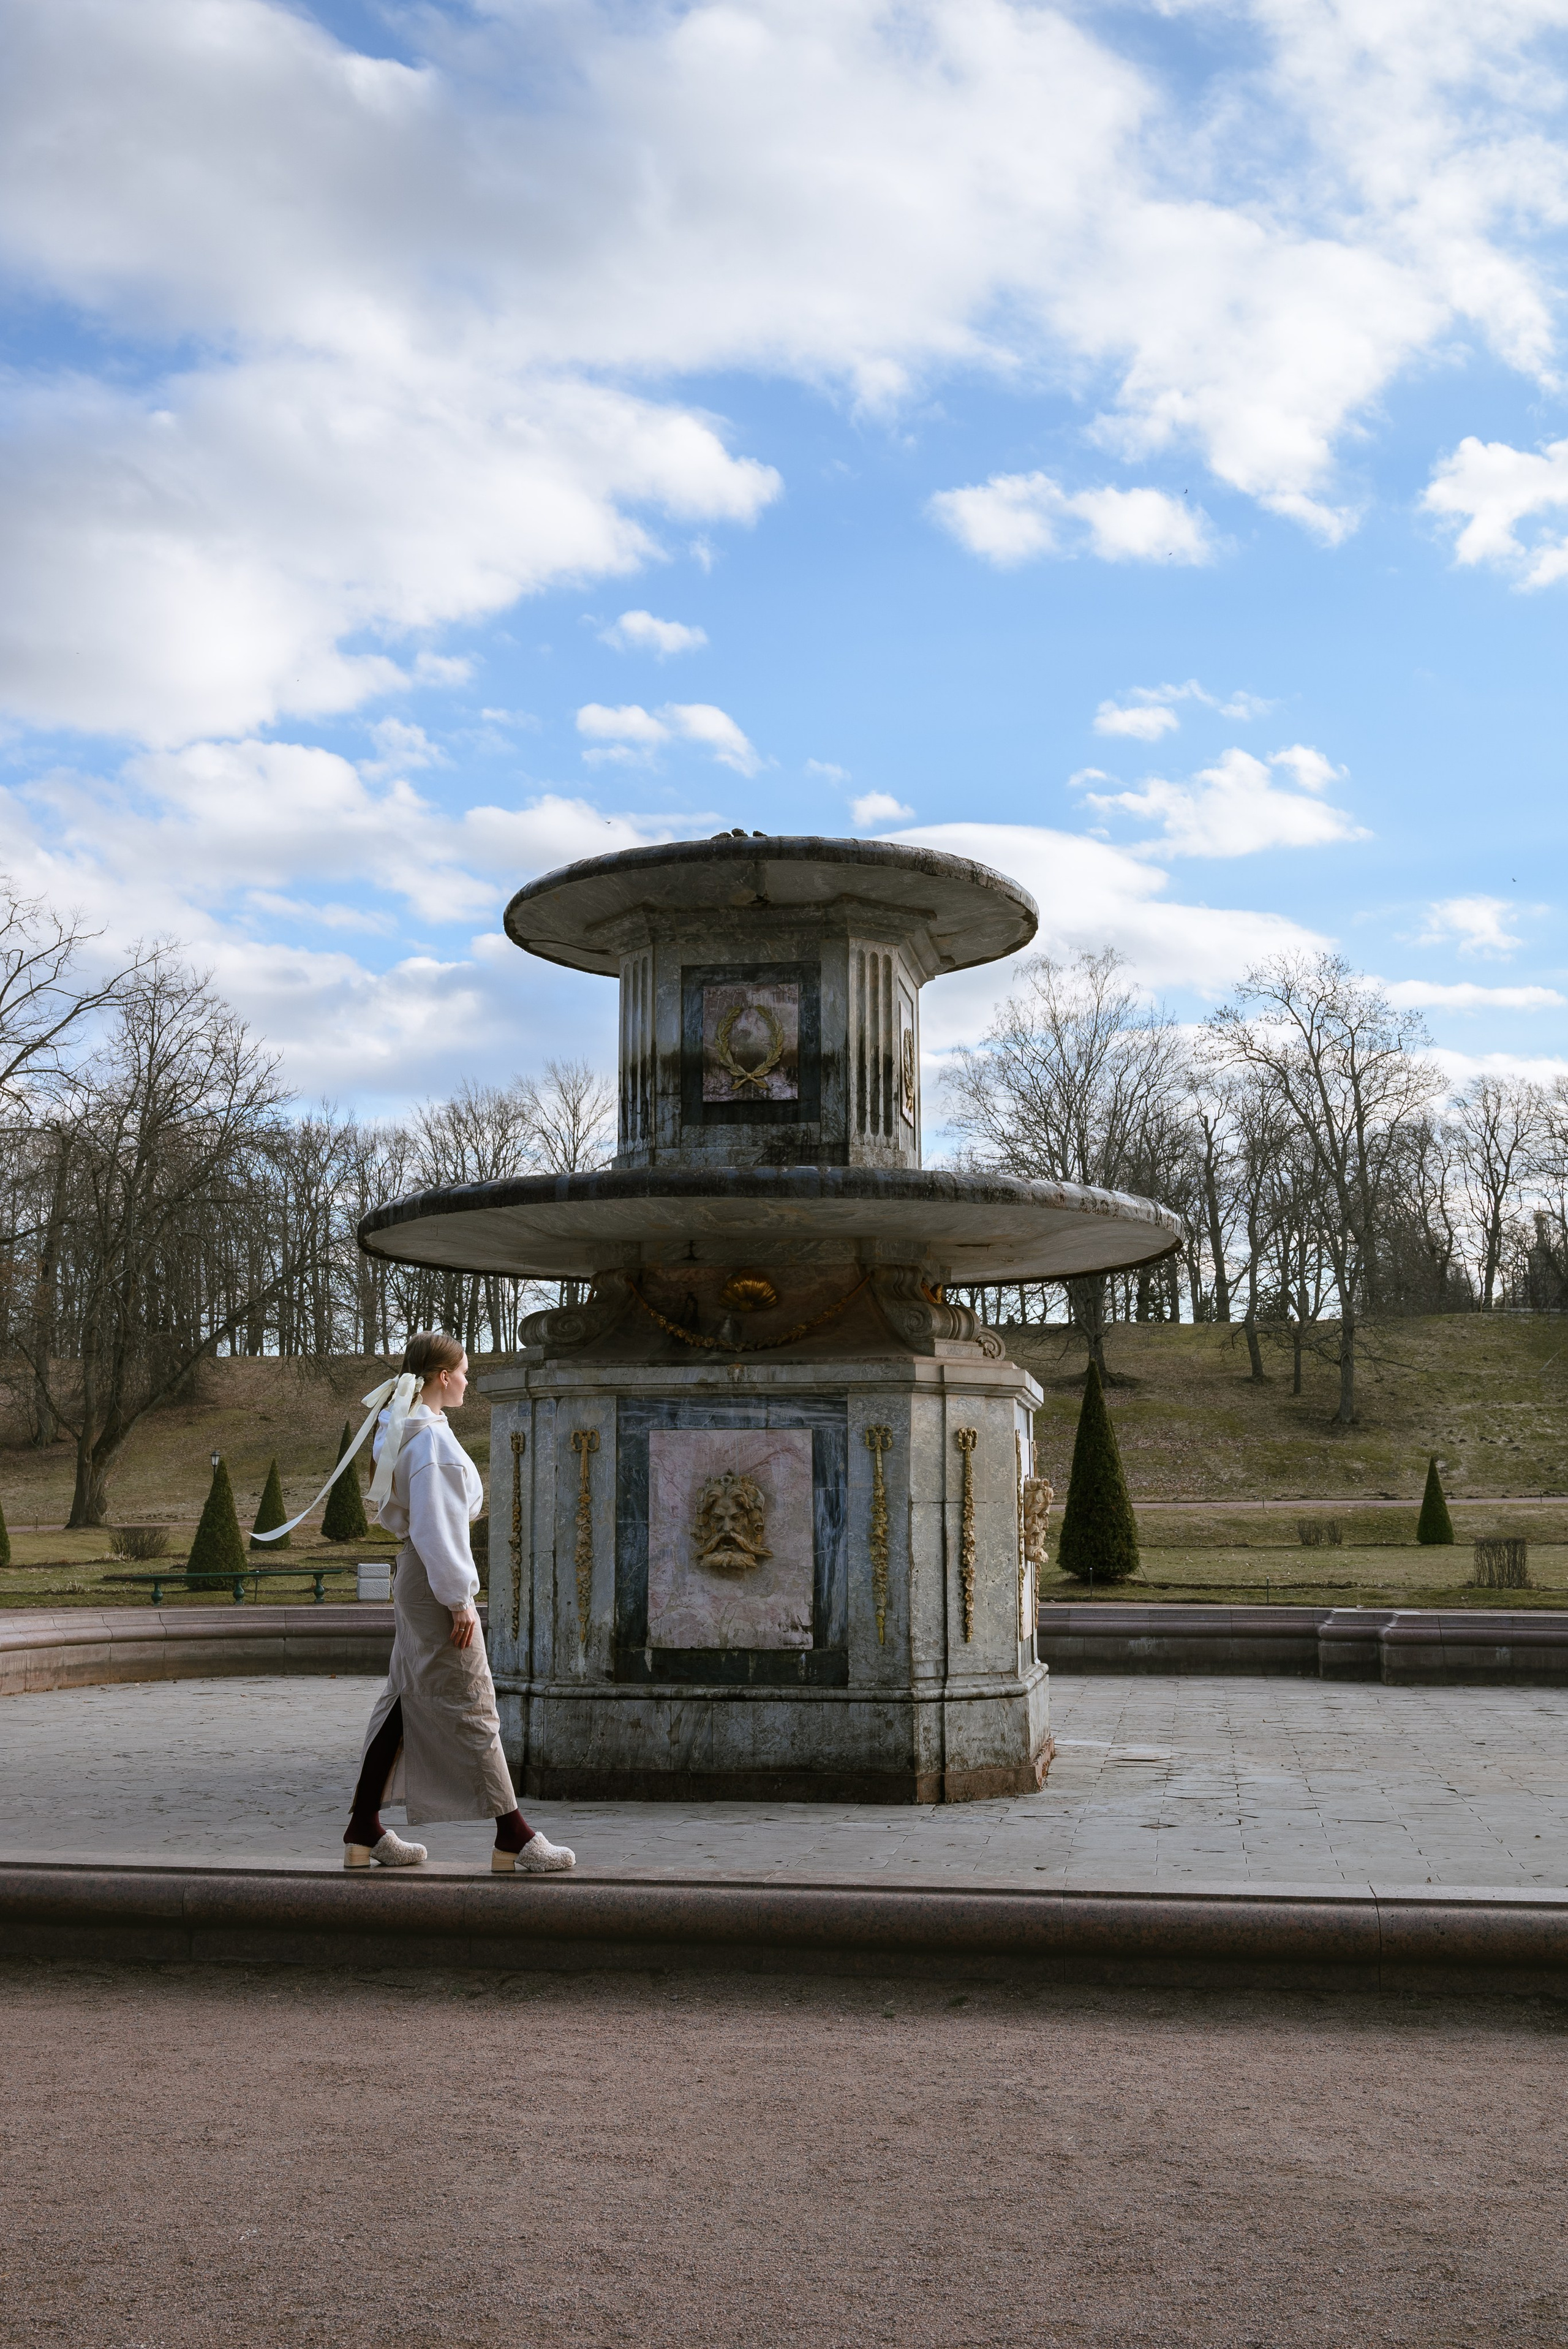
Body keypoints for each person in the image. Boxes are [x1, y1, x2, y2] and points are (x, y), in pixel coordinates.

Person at [343, 1330, 575, 1874]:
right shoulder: (430, 1444)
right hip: (434, 1583)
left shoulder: (410, 1429)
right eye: (464, 1371)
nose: (469, 1380)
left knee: (405, 1698)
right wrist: (460, 1600)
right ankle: (513, 1836)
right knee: (473, 1701)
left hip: (416, 1577)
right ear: (442, 1377)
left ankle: (363, 1829)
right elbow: (439, 1528)